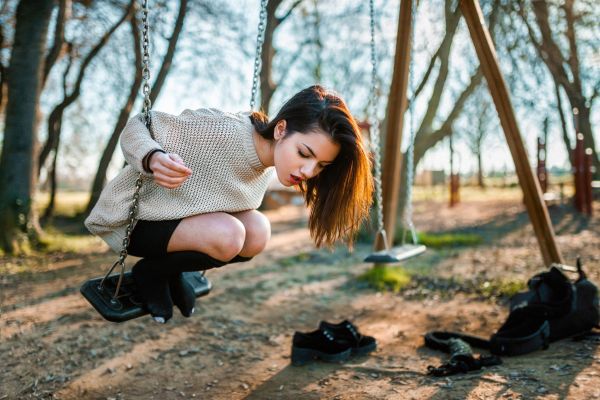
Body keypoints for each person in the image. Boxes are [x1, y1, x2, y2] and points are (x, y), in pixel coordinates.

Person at [85, 85, 373, 323]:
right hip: (134, 222)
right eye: (304, 153)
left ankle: (166, 272)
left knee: (258, 230)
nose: (308, 172)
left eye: (320, 165)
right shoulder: (222, 131)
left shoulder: (266, 168)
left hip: (176, 226)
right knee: (230, 234)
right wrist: (153, 158)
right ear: (281, 129)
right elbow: (137, 126)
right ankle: (152, 274)